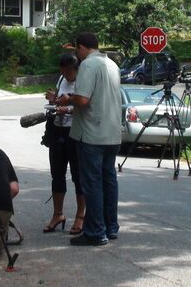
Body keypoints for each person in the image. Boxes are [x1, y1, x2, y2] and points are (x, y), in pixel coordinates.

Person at [56, 32, 122, 246]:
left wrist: (68, 99)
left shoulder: (88, 65)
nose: (77, 54)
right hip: (112, 133)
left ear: (82, 47)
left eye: (77, 49)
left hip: (92, 134)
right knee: (109, 180)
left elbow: (83, 99)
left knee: (92, 183)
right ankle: (111, 227)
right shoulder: (112, 64)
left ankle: (95, 232)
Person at [43, 54, 86, 235]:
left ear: (76, 69)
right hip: (58, 131)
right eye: (63, 71)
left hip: (75, 132)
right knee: (57, 175)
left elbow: (85, 106)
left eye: (68, 71)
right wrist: (54, 100)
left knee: (78, 176)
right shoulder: (62, 79)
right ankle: (58, 214)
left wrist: (67, 108)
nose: (66, 74)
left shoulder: (83, 82)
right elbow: (60, 101)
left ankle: (80, 216)